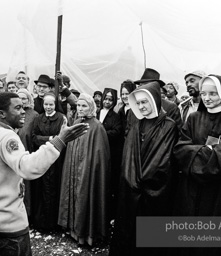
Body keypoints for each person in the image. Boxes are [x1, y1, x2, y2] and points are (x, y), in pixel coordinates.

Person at [0, 92, 89, 256]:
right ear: (1, 114)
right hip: (8, 223)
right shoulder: (7, 137)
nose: (23, 112)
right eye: (18, 108)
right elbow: (28, 167)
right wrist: (59, 141)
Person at [173, 75, 221, 255]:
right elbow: (180, 150)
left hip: (219, 193)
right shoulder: (193, 118)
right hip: (190, 190)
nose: (207, 98)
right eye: (204, 93)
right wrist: (208, 151)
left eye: (213, 94)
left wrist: (195, 152)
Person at [109, 82, 178, 256]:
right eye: (138, 103)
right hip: (131, 189)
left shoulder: (168, 126)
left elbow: (162, 160)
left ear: (154, 101)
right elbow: (128, 158)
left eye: (144, 102)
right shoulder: (136, 125)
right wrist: (130, 180)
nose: (141, 106)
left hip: (153, 191)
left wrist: (140, 179)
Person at [58, 93, 110, 246]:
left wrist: (89, 169)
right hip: (74, 168)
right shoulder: (76, 122)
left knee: (85, 197)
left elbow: (100, 156)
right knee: (74, 196)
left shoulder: (97, 127)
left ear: (91, 107)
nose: (80, 109)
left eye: (84, 106)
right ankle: (74, 230)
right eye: (78, 105)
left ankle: (86, 235)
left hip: (87, 171)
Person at [31, 92, 66, 231]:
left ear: (55, 105)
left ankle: (55, 223)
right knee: (42, 189)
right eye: (46, 104)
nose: (48, 107)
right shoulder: (38, 118)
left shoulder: (61, 118)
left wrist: (48, 139)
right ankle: (42, 223)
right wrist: (50, 138)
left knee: (55, 189)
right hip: (42, 157)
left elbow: (63, 136)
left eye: (51, 104)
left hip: (57, 159)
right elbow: (34, 137)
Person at [96, 88, 123, 217]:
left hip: (109, 152)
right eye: (105, 98)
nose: (107, 101)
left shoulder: (116, 116)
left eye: (110, 99)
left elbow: (117, 132)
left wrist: (101, 134)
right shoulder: (96, 112)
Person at [16, 88, 39, 217]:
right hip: (14, 155)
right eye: (18, 98)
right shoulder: (13, 113)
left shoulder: (34, 115)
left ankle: (27, 215)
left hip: (27, 153)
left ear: (29, 99)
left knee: (26, 186)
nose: (21, 101)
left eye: (24, 98)